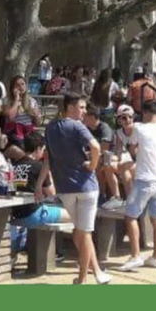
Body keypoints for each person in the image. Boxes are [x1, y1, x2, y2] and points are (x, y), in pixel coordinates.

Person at [36, 93, 111, 285]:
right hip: (86, 186)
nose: (85, 111)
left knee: (81, 233)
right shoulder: (77, 126)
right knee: (84, 233)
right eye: (82, 107)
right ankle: (84, 278)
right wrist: (93, 166)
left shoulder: (51, 127)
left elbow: (48, 159)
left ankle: (96, 273)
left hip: (65, 188)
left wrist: (39, 184)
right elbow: (95, 146)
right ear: (70, 107)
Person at [117, 101, 156, 272]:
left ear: (144, 113)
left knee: (130, 217)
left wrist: (139, 153)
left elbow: (131, 149)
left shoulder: (140, 129)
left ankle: (135, 255)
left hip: (144, 180)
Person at [11, 132, 70, 226]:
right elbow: (52, 193)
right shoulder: (38, 167)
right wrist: (49, 173)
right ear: (38, 149)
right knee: (74, 215)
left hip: (16, 214)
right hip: (34, 213)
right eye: (43, 150)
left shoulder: (15, 165)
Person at [83, 104, 121, 209]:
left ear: (92, 116)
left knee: (99, 162)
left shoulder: (104, 128)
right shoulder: (86, 129)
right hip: (95, 156)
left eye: (85, 115)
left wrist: (89, 155)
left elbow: (104, 149)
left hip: (111, 156)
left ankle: (103, 194)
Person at [3, 75, 41, 157]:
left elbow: (37, 123)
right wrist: (16, 100)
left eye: (23, 84)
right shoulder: (8, 101)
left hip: (29, 131)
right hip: (15, 130)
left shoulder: (32, 101)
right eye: (17, 85)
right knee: (20, 142)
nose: (21, 87)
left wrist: (36, 116)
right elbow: (10, 117)